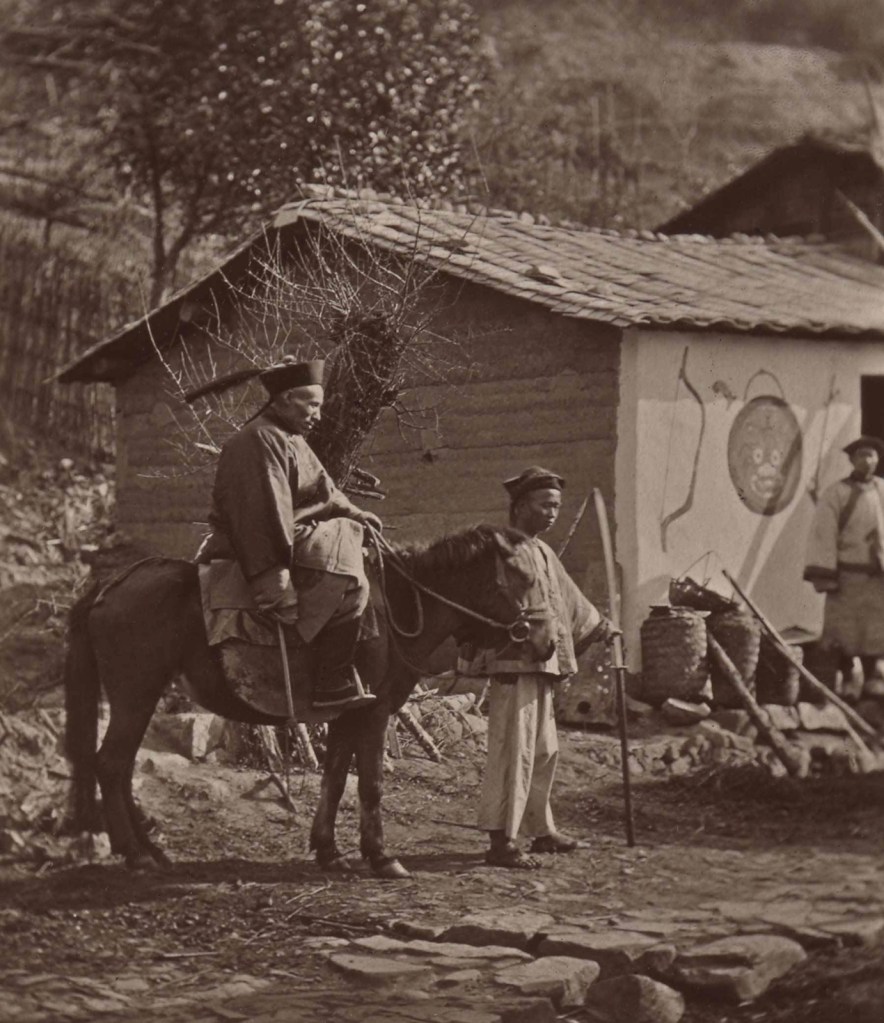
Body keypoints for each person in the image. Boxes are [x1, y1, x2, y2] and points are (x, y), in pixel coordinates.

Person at [193, 357, 383, 711]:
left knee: (350, 532)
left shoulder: (291, 438)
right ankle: (330, 678)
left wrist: (356, 513)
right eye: (312, 405)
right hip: (258, 542)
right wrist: (274, 576)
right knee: (348, 575)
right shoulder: (256, 440)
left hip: (291, 532)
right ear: (284, 399)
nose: (319, 415)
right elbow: (261, 516)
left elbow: (325, 490)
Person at [458, 466, 616, 869]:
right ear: (520, 505)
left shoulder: (543, 552)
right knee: (514, 752)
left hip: (543, 664)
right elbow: (482, 602)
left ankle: (541, 831)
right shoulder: (500, 548)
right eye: (545, 505)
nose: (552, 514)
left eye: (557, 507)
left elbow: (571, 599)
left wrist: (602, 627)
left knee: (544, 750)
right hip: (513, 662)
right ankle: (501, 840)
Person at [803, 435, 884, 696]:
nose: (868, 460)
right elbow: (823, 533)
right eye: (861, 454)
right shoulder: (836, 493)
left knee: (875, 628)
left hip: (876, 576)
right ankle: (849, 676)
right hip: (848, 577)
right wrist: (826, 574)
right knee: (844, 631)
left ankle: (873, 677)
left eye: (872, 454)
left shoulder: (883, 490)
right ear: (851, 459)